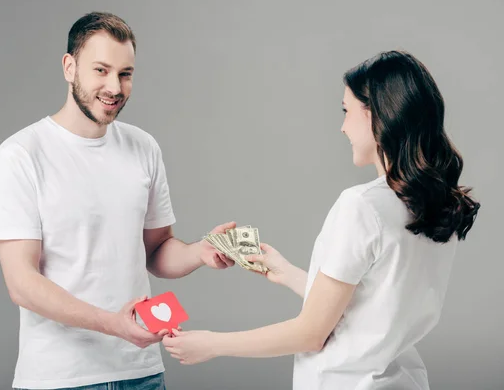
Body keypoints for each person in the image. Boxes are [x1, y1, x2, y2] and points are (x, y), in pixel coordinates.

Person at [162, 50, 480, 389]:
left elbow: (312, 333)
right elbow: (368, 308)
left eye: (347, 111)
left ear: (378, 115)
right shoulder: (439, 204)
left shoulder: (361, 206)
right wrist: (287, 273)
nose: (342, 127)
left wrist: (212, 344)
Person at [0, 11, 236, 390]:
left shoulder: (143, 148)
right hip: (59, 377)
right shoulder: (20, 154)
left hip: (141, 373)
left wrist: (200, 251)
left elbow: (156, 251)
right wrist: (111, 324)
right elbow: (22, 282)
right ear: (69, 67)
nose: (114, 87)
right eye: (100, 70)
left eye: (125, 73)